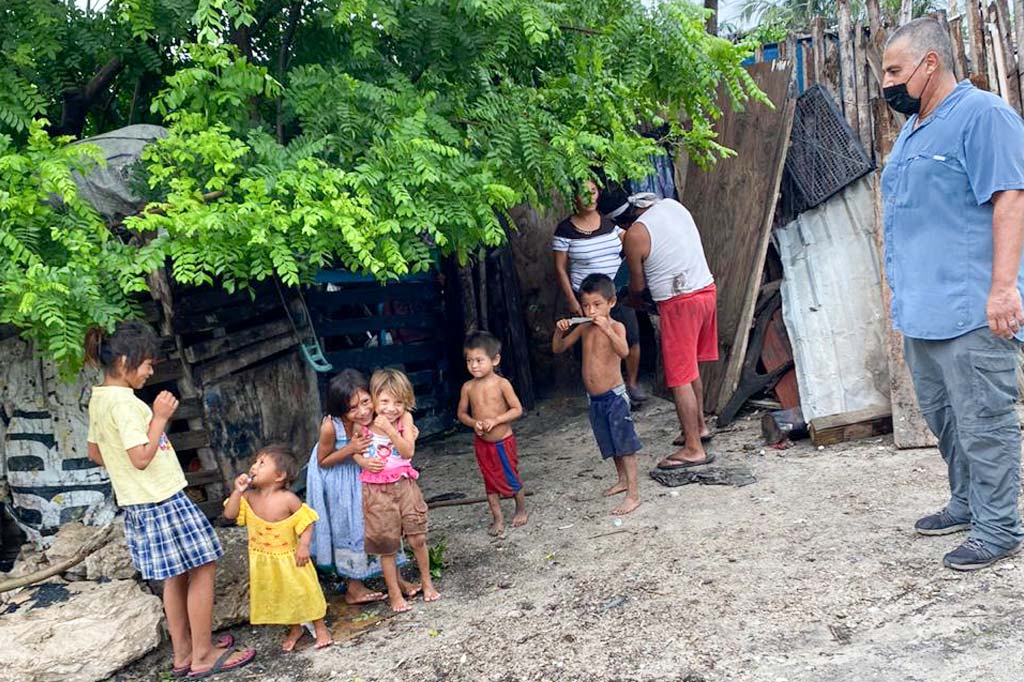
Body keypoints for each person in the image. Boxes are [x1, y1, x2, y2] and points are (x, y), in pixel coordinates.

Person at [881, 18, 1024, 570]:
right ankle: (966, 503)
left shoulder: (983, 115)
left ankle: (999, 528)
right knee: (944, 419)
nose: (888, 81)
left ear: (929, 63)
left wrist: (1004, 289)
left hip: (970, 310)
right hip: (922, 310)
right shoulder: (917, 127)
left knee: (984, 422)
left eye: (895, 70)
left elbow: (1011, 199)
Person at [84, 321, 255, 679]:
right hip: (162, 499)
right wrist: (160, 418)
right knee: (204, 567)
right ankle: (204, 654)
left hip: (137, 503)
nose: (150, 371)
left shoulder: (99, 398)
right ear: (125, 361)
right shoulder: (126, 405)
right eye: (147, 364)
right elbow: (141, 457)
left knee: (174, 578)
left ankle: (184, 653)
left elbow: (96, 453)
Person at [598, 188, 717, 470]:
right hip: (705, 291)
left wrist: (629, 299)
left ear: (622, 221)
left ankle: (693, 448)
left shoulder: (636, 235)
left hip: (680, 302)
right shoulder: (671, 206)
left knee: (678, 377)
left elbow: (638, 287)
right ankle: (698, 427)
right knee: (690, 369)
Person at [306, 369, 405, 605]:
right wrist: (351, 449)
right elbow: (323, 461)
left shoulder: (376, 416)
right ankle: (353, 586)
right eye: (352, 408)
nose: (362, 411)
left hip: (364, 474)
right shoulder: (331, 426)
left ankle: (396, 579)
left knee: (376, 522)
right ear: (340, 409)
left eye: (365, 402)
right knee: (348, 528)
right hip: (337, 479)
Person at [224, 445, 332, 652]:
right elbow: (230, 514)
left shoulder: (288, 499)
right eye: (255, 462)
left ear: (279, 475)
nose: (254, 467)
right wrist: (238, 491)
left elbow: (307, 522)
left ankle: (320, 627)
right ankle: (295, 628)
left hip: (291, 558)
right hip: (265, 560)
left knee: (305, 591)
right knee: (282, 594)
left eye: (261, 463)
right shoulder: (248, 497)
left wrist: (303, 546)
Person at [552, 274, 644, 515]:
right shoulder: (583, 328)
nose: (591, 310)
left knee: (625, 445)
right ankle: (622, 480)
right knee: (610, 443)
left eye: (597, 305)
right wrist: (559, 331)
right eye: (586, 305)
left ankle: (633, 494)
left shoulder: (616, 326)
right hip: (595, 399)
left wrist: (607, 329)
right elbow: (558, 348)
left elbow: (624, 351)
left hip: (614, 396)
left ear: (611, 303)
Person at [553, 178, 646, 403]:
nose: (590, 198)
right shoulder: (566, 230)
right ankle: (598, 388)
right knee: (590, 343)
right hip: (587, 298)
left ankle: (631, 384)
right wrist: (573, 301)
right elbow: (560, 268)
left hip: (616, 296)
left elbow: (634, 248)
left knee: (630, 338)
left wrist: (627, 280)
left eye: (593, 191)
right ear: (573, 197)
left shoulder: (611, 225)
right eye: (584, 193)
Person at [358, 368, 440, 612]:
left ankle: (427, 582)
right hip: (376, 490)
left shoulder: (404, 420)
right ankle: (394, 594)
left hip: (405, 485)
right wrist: (363, 462)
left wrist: (392, 430)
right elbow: (355, 450)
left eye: (398, 402)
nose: (391, 408)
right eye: (384, 401)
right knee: (387, 546)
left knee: (417, 536)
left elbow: (408, 452)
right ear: (373, 399)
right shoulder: (363, 424)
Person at [456, 331, 528, 535]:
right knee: (489, 481)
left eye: (479, 360)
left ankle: (521, 508)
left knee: (510, 475)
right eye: (469, 361)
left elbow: (517, 409)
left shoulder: (501, 384)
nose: (474, 366)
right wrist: (474, 423)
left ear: (495, 359)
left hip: (503, 442)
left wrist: (496, 420)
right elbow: (461, 413)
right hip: (482, 443)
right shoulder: (468, 387)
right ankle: (497, 518)